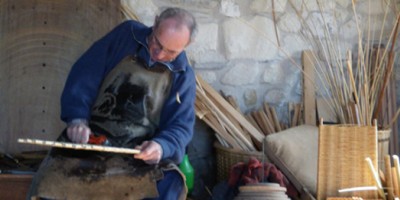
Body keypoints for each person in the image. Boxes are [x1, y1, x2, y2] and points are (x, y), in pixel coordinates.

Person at [58, 7, 197, 199]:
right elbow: (85, 75)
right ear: (155, 23)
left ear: (186, 45)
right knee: (54, 182)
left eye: (170, 52)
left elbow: (180, 127)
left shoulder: (183, 76)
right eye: (157, 42)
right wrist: (77, 119)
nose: (159, 54)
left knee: (169, 184)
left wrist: (160, 146)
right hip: (92, 140)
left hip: (139, 154)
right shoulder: (126, 35)